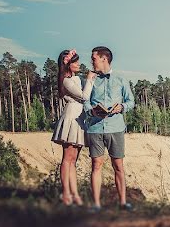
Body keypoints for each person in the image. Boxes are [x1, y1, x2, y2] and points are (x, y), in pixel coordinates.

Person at [84, 46, 135, 211]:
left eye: (94, 58)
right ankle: (96, 205)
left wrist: (122, 107)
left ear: (104, 59)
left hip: (115, 127)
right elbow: (84, 100)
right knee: (96, 165)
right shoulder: (90, 79)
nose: (92, 61)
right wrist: (90, 110)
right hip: (95, 127)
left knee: (118, 165)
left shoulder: (120, 79)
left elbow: (131, 101)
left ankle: (122, 203)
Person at [51, 49, 96, 205]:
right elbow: (84, 96)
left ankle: (74, 194)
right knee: (68, 159)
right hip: (71, 117)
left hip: (79, 117)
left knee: (73, 160)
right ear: (67, 64)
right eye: (75, 61)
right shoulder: (66, 80)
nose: (78, 64)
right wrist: (89, 79)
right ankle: (66, 194)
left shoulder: (75, 78)